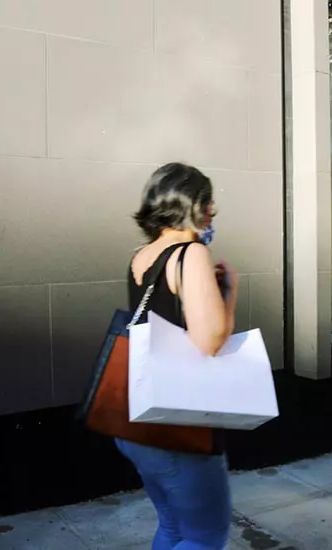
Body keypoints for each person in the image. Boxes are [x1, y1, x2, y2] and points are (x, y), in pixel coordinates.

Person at [115, 162, 239, 550]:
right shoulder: (191, 254)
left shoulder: (144, 254)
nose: (213, 208)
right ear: (194, 204)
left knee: (173, 526)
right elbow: (210, 341)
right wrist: (230, 295)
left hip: (139, 418)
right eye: (208, 200)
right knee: (205, 536)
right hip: (180, 424)